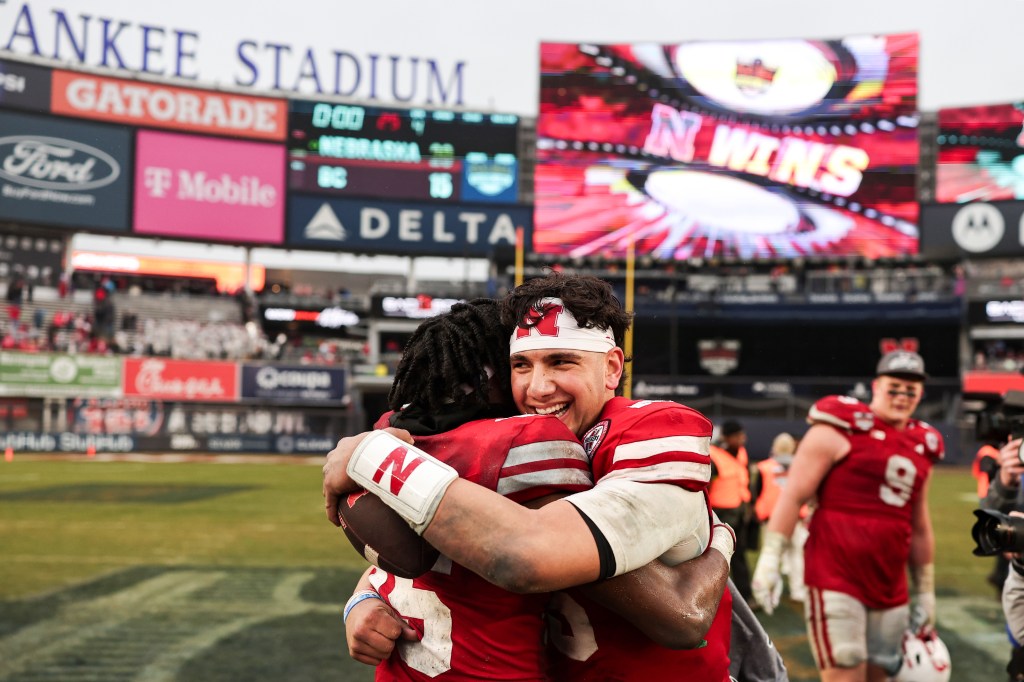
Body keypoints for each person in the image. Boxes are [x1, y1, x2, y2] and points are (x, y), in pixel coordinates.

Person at [326, 274, 781, 680]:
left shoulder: (650, 430)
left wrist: (371, 455)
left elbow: (681, 614)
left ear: (612, 368)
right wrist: (363, 598)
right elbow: (428, 555)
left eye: (561, 362)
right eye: (522, 366)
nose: (537, 388)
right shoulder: (510, 442)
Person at [751, 350, 943, 682]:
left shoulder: (921, 443)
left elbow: (920, 525)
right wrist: (771, 557)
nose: (902, 396)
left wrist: (925, 590)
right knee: (845, 671)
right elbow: (794, 491)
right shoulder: (841, 426)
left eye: (911, 390)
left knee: (880, 672)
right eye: (894, 387)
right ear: (876, 386)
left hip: (890, 580)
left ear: (921, 394)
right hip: (835, 573)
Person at [752, 432, 809, 603]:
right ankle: (797, 590)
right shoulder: (802, 466)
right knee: (796, 556)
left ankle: (769, 592)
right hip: (795, 518)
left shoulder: (764, 467)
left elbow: (758, 493)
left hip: (773, 519)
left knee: (771, 556)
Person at [710, 419, 754, 603]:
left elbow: (744, 479)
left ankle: (746, 596)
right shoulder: (713, 456)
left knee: (740, 556)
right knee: (716, 557)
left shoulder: (741, 452)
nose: (742, 439)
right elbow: (706, 486)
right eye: (738, 436)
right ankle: (713, 598)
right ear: (727, 437)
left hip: (739, 510)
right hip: (720, 512)